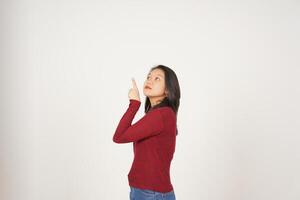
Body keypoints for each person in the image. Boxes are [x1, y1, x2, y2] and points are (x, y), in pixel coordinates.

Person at [113, 65, 181, 200]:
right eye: (148, 77)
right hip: (148, 192)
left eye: (157, 79)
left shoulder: (161, 115)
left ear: (167, 90)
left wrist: (134, 103)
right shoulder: (158, 114)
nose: (149, 80)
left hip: (151, 194)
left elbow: (119, 136)